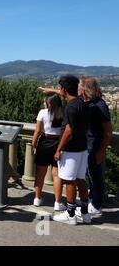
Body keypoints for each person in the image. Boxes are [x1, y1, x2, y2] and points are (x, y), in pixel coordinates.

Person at [51, 75, 91, 225]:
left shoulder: (71, 106)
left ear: (64, 89)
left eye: (60, 87)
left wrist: (58, 149)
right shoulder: (83, 103)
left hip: (71, 150)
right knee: (81, 179)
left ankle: (71, 214)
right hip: (82, 148)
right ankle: (85, 214)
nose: (59, 89)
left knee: (69, 181)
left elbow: (68, 130)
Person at [79, 76, 113, 216]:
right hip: (87, 146)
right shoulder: (87, 101)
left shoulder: (100, 105)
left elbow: (108, 132)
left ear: (85, 88)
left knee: (96, 177)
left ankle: (97, 205)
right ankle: (93, 201)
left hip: (95, 146)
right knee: (90, 175)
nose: (78, 89)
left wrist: (101, 151)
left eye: (80, 86)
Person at [31, 93, 66, 211]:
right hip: (58, 144)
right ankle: (57, 202)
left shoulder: (42, 112)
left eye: (45, 101)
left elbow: (37, 131)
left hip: (44, 143)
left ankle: (37, 198)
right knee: (57, 174)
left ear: (49, 102)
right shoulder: (63, 113)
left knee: (40, 173)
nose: (43, 103)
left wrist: (33, 144)